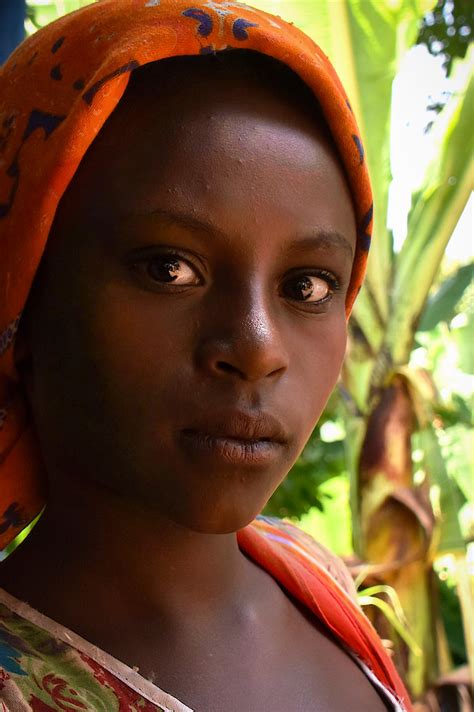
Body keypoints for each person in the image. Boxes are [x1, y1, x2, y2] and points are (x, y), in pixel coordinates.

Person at [0, 1, 412, 710]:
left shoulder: (314, 577)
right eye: (168, 268)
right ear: (22, 294)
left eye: (307, 285)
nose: (257, 347)